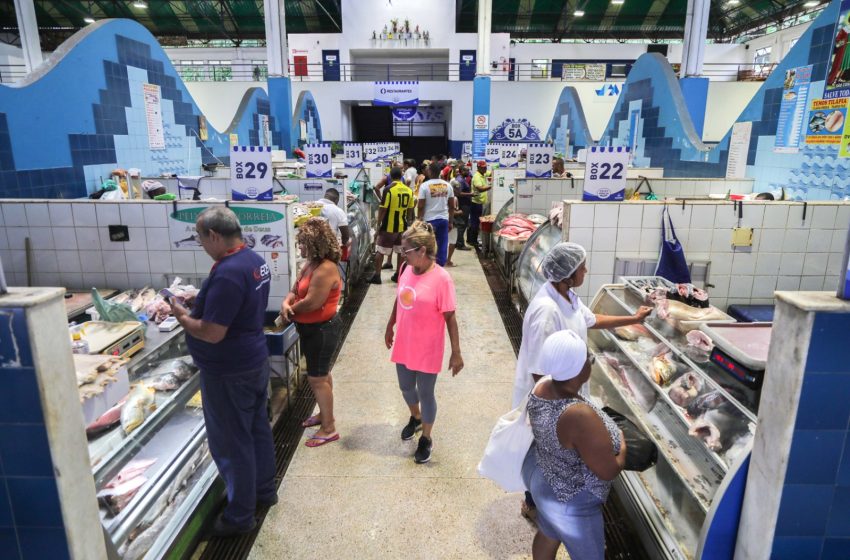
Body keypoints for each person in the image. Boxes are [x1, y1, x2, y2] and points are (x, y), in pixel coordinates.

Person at [513, 242, 650, 520]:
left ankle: (549, 501)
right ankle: (534, 503)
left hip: (566, 395)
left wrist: (633, 318)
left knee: (557, 454)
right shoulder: (546, 311)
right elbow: (539, 370)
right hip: (550, 400)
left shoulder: (568, 297)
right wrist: (568, 406)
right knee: (544, 453)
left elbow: (591, 318)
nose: (586, 270)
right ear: (566, 275)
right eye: (581, 268)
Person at [170, 206, 276, 537]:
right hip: (254, 361)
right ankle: (264, 492)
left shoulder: (229, 272)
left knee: (233, 444)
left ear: (214, 235)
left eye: (201, 237)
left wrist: (181, 316)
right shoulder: (255, 260)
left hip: (229, 371)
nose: (201, 244)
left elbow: (213, 332)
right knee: (257, 431)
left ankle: (239, 518)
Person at [522, 330, 626, 560]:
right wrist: (624, 445)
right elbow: (607, 470)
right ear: (579, 369)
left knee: (548, 534)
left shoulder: (544, 384)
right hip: (571, 500)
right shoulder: (578, 415)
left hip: (545, 478)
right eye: (589, 359)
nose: (591, 363)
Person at [384, 221, 464, 463]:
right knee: (406, 387)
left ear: (421, 251)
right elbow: (400, 299)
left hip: (428, 346)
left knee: (426, 392)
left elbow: (450, 317)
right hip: (405, 342)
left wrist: (456, 352)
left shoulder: (442, 279)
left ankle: (426, 438)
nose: (402, 255)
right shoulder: (406, 270)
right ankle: (416, 417)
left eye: (405, 251)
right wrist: (390, 325)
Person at [281, 218, 342, 447]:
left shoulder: (326, 268)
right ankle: (324, 415)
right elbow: (296, 289)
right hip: (310, 329)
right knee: (322, 375)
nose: (301, 248)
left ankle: (329, 428)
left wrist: (290, 310)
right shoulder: (310, 264)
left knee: (317, 378)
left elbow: (312, 303)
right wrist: (287, 302)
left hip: (322, 330)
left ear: (315, 243)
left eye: (304, 243)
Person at [371, 167, 415, 284]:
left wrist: (378, 224)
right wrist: (409, 221)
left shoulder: (388, 189)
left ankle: (377, 276)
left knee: (380, 250)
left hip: (388, 226)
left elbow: (383, 208)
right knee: (400, 251)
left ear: (390, 176)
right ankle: (398, 275)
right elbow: (411, 207)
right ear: (401, 176)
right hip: (402, 226)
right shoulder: (408, 190)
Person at [418, 162, 457, 267]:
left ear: (429, 172)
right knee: (442, 244)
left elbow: (420, 206)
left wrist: (419, 220)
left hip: (428, 221)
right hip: (443, 219)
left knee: (427, 245)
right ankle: (439, 267)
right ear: (440, 172)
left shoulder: (424, 186)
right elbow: (452, 206)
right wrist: (451, 222)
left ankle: (427, 266)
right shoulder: (447, 185)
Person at [446, 164, 472, 267]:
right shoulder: (459, 181)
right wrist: (471, 194)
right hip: (459, 210)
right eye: (466, 170)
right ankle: (459, 244)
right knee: (460, 227)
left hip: (459, 209)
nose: (468, 172)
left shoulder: (459, 180)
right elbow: (458, 194)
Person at [468, 160, 491, 250]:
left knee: (476, 222)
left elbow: (491, 172)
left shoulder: (483, 174)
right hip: (476, 203)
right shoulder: (477, 176)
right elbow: (480, 188)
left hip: (480, 202)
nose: (485, 169)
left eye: (486, 167)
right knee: (475, 222)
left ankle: (472, 240)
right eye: (483, 167)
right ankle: (473, 241)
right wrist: (491, 186)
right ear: (478, 168)